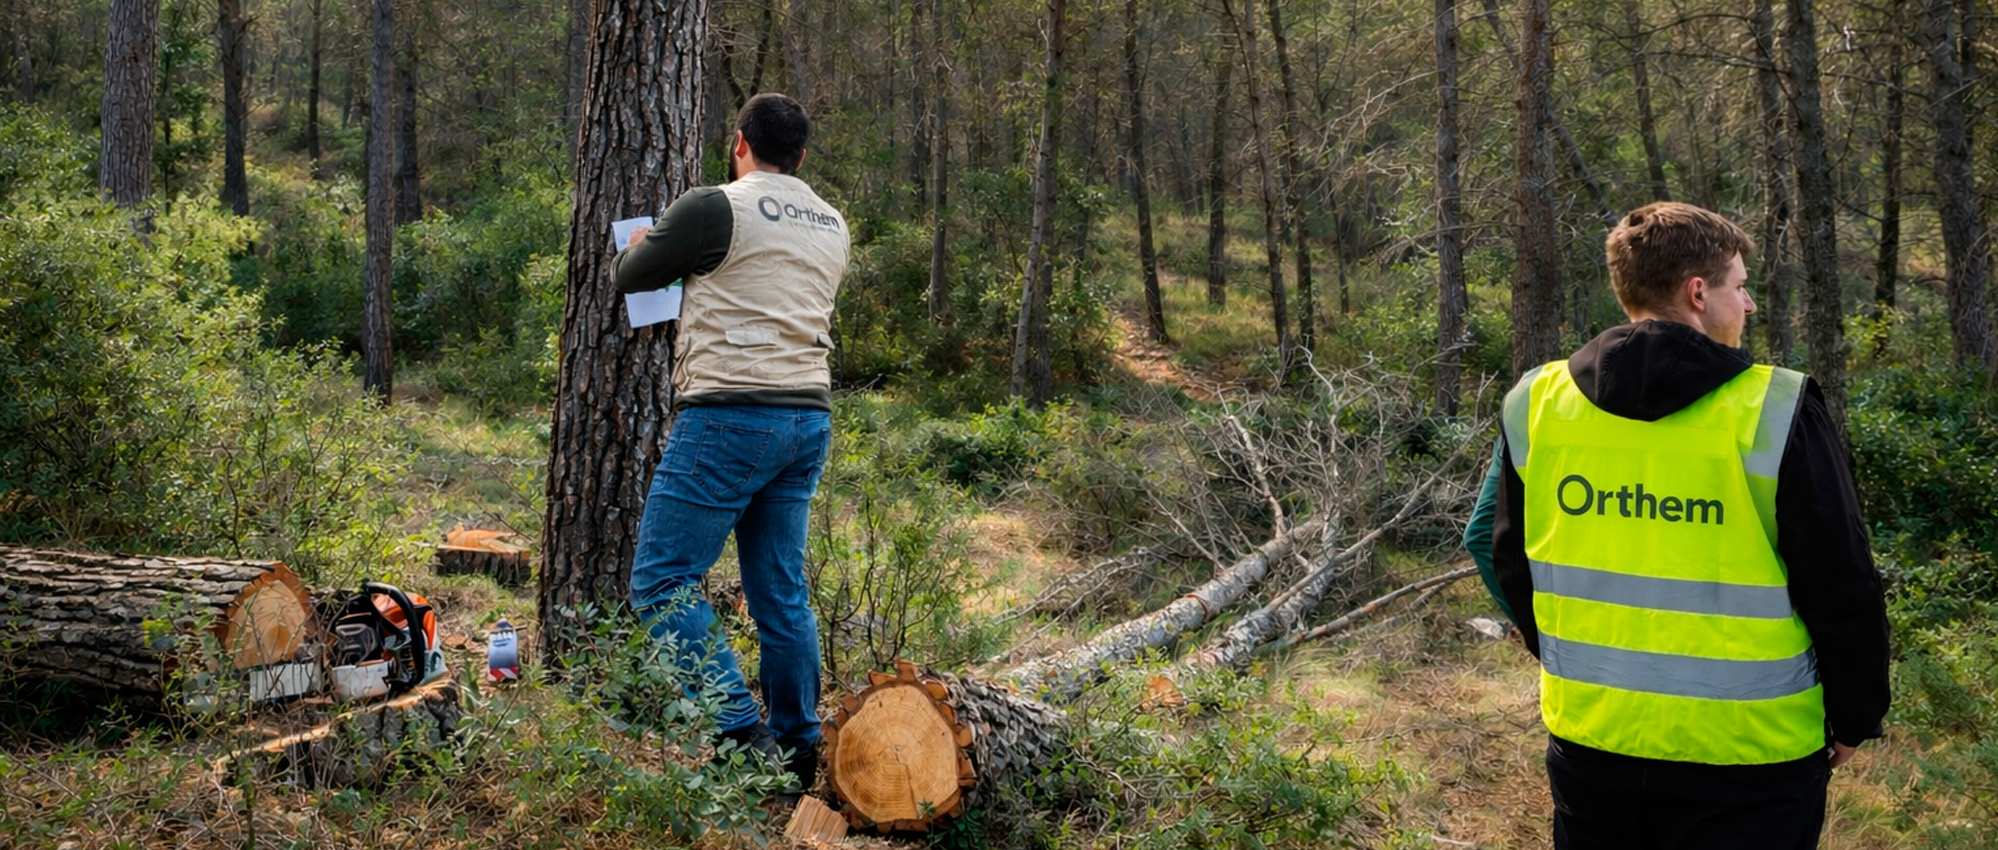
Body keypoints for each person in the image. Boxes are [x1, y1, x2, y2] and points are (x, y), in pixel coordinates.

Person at [1464, 202, 1889, 849]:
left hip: (1594, 741)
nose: (1748, 305)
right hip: (1752, 754)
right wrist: (1856, 715)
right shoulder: (1775, 407)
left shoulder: (1538, 402)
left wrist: (1574, 665)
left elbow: (1506, 557)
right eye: (1739, 287)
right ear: (1698, 293)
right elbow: (1841, 580)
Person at [613, 92, 848, 795]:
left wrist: (641, 242)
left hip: (729, 414)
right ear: (801, 155)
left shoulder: (713, 205)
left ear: (739, 142)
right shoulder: (832, 222)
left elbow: (632, 276)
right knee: (780, 591)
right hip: (807, 416)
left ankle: (742, 735)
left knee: (661, 580)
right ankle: (798, 747)